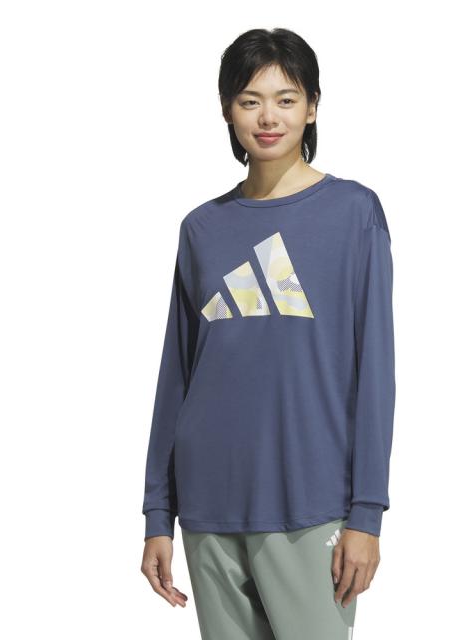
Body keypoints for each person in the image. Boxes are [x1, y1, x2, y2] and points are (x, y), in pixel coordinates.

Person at [140, 27, 396, 640]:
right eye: (249, 100)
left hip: (309, 501)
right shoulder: (201, 228)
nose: (268, 117)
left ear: (312, 107)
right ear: (227, 110)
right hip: (208, 504)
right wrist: (157, 513)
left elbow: (375, 372)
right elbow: (177, 376)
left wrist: (367, 514)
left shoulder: (354, 213)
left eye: (286, 99)